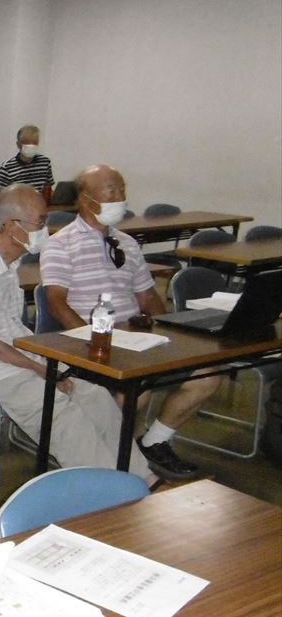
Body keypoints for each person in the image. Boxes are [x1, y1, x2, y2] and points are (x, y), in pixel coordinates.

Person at [0, 183, 155, 483]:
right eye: (40, 222)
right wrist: (43, 370)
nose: (46, 229)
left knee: (95, 395)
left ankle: (143, 477)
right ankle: (112, 489)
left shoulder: (8, 263)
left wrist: (45, 367)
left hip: (20, 357)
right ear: (12, 226)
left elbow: (11, 331)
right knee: (62, 414)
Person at [40, 163, 220, 480]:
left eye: (122, 189)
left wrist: (170, 334)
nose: (119, 197)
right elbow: (56, 302)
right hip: (93, 340)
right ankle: (104, 455)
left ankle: (154, 442)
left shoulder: (126, 242)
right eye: (111, 190)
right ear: (84, 198)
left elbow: (148, 296)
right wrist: (91, 338)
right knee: (137, 391)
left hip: (135, 337)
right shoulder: (60, 243)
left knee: (209, 374)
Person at [0, 125, 54, 196]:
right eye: (27, 143)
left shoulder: (45, 163)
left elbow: (49, 190)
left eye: (34, 143)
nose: (31, 146)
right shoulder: (7, 167)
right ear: (18, 145)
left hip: (39, 202)